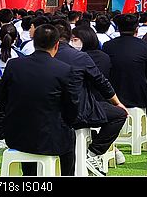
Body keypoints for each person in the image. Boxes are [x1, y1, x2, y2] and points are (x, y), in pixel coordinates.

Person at [0, 24, 79, 175]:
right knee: (69, 137)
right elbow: (72, 108)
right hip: (51, 138)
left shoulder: (14, 65)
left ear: (33, 41)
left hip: (16, 136)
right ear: (57, 45)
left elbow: (1, 100)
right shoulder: (64, 70)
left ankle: (29, 175)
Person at [52, 21, 128, 175]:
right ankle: (92, 153)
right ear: (69, 36)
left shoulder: (39, 59)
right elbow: (101, 82)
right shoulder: (80, 57)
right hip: (78, 112)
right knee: (120, 114)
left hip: (48, 113)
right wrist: (117, 103)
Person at [103, 13, 147, 148]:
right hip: (139, 95)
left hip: (112, 95)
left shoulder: (108, 46)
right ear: (136, 29)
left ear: (118, 29)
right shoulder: (144, 47)